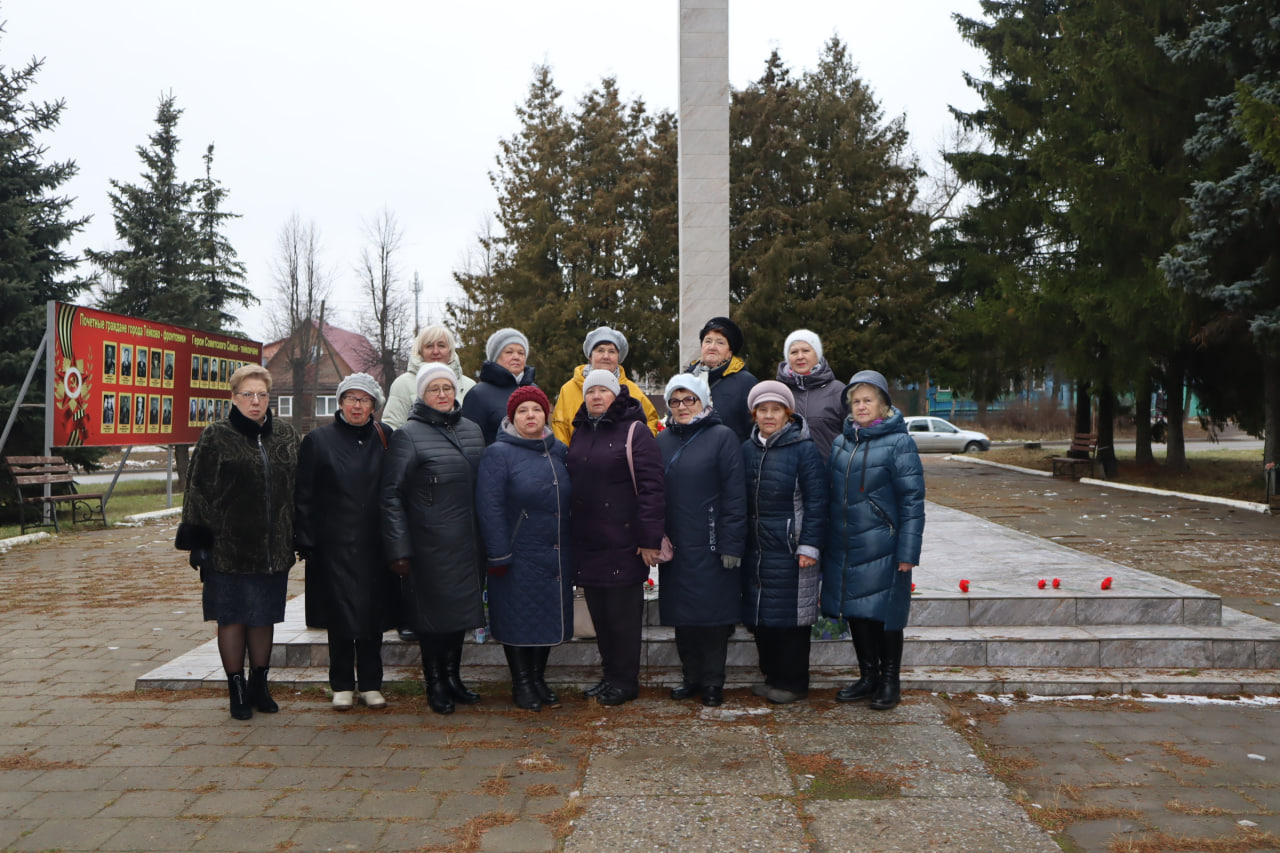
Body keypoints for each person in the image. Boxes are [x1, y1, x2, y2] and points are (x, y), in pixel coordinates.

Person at [176, 364, 301, 721]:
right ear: (233, 398)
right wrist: (198, 541)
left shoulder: (286, 437)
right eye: (248, 395)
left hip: (272, 548)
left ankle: (261, 684)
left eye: (262, 395)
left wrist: (299, 533)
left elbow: (298, 491)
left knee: (263, 618)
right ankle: (237, 687)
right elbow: (197, 490)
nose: (256, 401)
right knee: (231, 618)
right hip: (227, 548)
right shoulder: (216, 436)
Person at [380, 363, 487, 715]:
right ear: (421, 395)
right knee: (431, 620)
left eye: (447, 387)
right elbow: (391, 495)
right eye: (434, 389)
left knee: (458, 617)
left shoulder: (472, 430)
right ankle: (435, 683)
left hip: (468, 544)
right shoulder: (407, 435)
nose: (442, 394)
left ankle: (454, 678)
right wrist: (399, 548)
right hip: (428, 546)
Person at [821, 370, 925, 711]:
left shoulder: (899, 443)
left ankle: (889, 679)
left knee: (885, 615)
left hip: (885, 545)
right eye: (856, 401)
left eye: (868, 400)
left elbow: (912, 500)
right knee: (856, 612)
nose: (861, 406)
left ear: (882, 406)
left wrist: (908, 551)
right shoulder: (841, 442)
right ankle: (868, 675)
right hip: (847, 544)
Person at [294, 373, 397, 711]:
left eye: (364, 399)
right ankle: (340, 684)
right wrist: (305, 538)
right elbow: (304, 494)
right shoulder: (318, 440)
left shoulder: (386, 438)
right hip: (332, 544)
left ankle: (370, 684)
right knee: (338, 617)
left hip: (374, 543)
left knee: (372, 616)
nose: (357, 405)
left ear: (374, 406)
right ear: (339, 402)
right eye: (350, 398)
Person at [566, 370, 665, 706]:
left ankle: (626, 680)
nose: (596, 396)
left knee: (622, 618)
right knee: (601, 617)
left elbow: (652, 488)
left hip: (624, 541)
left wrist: (649, 538)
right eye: (590, 391)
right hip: (590, 541)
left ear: (616, 395)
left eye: (603, 391)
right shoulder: (579, 431)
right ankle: (609, 676)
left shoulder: (635, 431)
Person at [476, 385, 574, 712]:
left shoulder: (557, 450)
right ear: (512, 417)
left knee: (546, 616)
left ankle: (538, 678)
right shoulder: (498, 453)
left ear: (545, 414)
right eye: (522, 411)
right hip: (518, 554)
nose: (530, 415)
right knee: (519, 619)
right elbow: (489, 507)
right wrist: (499, 553)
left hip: (554, 552)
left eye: (536, 409)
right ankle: (521, 682)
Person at [655, 374, 746, 707]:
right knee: (684, 619)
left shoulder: (722, 437)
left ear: (704, 402)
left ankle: (712, 681)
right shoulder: (662, 441)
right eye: (675, 401)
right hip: (676, 544)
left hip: (712, 542)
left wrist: (732, 544)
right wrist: (655, 533)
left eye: (689, 399)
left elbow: (736, 495)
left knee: (714, 619)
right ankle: (691, 676)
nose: (682, 407)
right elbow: (652, 494)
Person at [741, 380, 827, 704]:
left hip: (791, 552)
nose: (768, 415)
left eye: (775, 410)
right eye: (763, 410)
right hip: (756, 550)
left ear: (787, 414)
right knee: (762, 618)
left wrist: (809, 545)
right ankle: (773, 676)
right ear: (755, 414)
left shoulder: (803, 449)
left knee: (791, 621)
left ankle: (793, 683)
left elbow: (817, 500)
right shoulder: (747, 448)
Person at [551, 325, 661, 445]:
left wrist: (636, 448)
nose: (606, 356)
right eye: (600, 350)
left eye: (611, 351)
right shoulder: (568, 390)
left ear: (618, 358)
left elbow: (651, 421)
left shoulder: (633, 391)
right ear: (590, 356)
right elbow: (560, 427)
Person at [383, 325, 476, 429]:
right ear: (420, 351)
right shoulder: (403, 384)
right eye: (429, 346)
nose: (436, 351)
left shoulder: (469, 386)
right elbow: (392, 427)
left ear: (450, 350)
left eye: (441, 345)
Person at [682, 316, 757, 443]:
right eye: (708, 341)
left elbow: (753, 430)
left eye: (720, 342)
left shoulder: (746, 383)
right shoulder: (686, 379)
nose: (712, 347)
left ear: (730, 352)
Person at [461, 328, 539, 445]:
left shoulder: (534, 390)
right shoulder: (479, 394)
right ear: (495, 357)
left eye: (521, 353)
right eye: (509, 352)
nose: (516, 357)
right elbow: (470, 444)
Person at [775, 329, 845, 460]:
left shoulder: (837, 390)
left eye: (806, 350)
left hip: (829, 473)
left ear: (817, 354)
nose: (800, 356)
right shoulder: (778, 392)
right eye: (794, 352)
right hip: (789, 474)